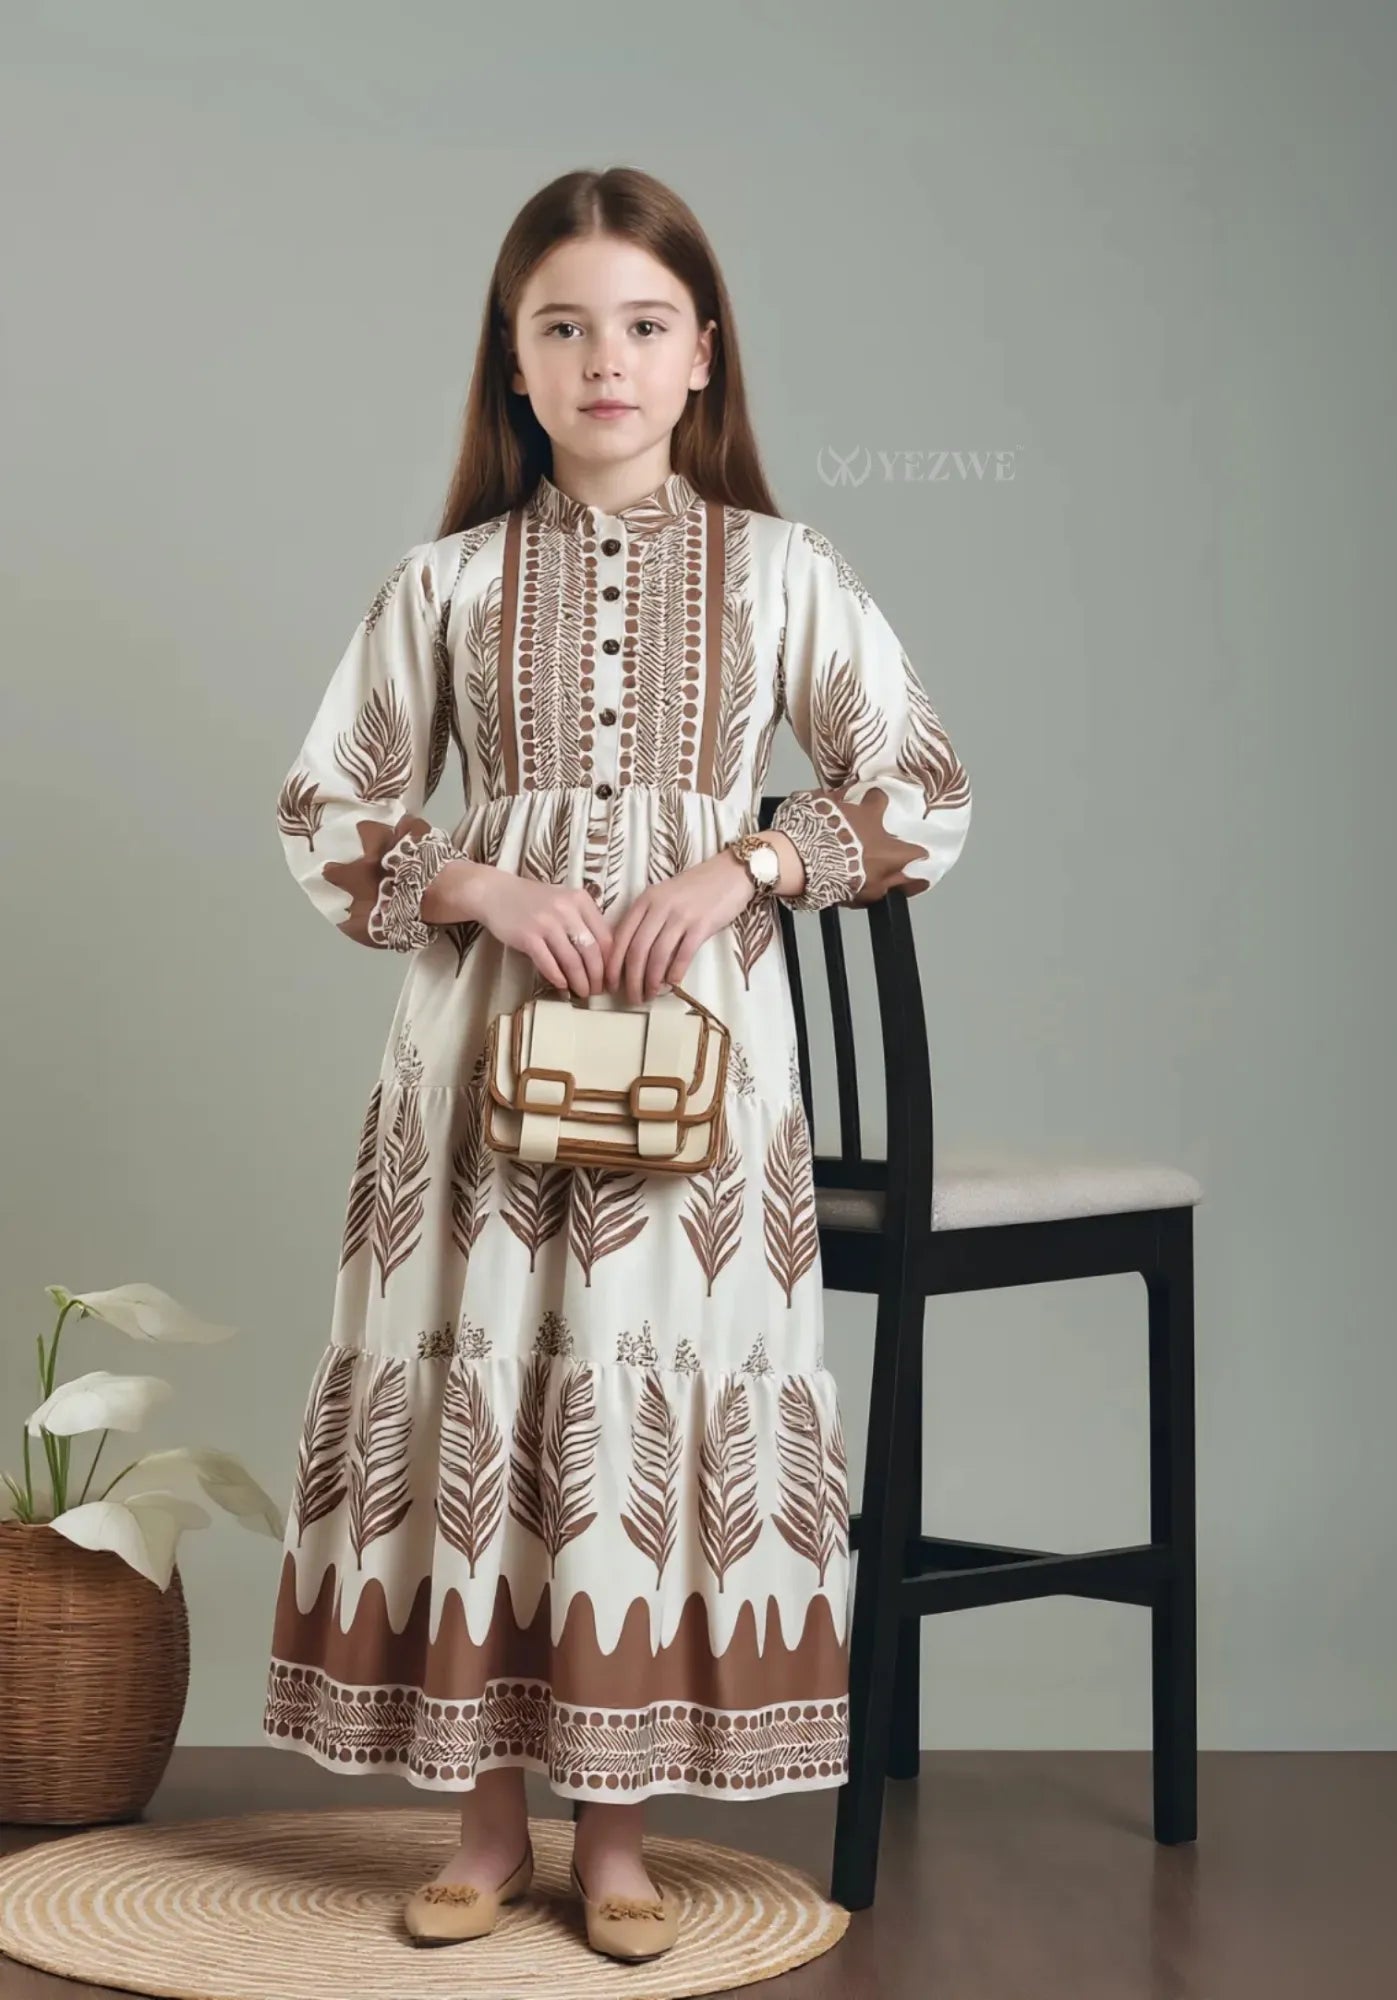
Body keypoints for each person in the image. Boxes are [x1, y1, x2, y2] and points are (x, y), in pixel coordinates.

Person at [260, 164, 972, 1957]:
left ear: (703, 356)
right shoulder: (448, 583)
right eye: (564, 327)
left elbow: (923, 790)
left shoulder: (786, 570)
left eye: (644, 327)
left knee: (652, 1394)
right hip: (478, 1051)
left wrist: (747, 861)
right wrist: (479, 879)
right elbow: (322, 805)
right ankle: (489, 1828)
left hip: (699, 1064)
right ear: (513, 362)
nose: (607, 361)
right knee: (491, 1386)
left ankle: (626, 1831)